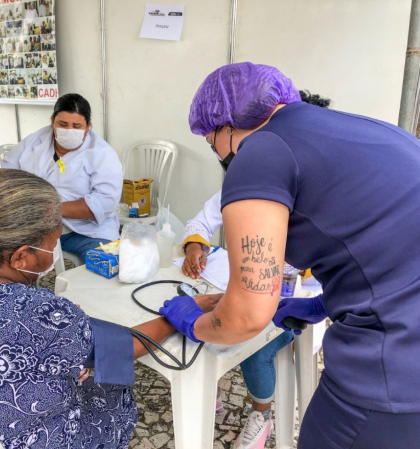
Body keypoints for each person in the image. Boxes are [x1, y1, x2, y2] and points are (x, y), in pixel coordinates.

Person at [160, 62, 420, 448]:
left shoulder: (260, 153)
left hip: (394, 370)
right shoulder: (373, 131)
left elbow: (247, 317)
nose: (214, 149)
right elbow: (390, 241)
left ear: (226, 126)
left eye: (208, 138)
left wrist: (193, 322)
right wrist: (324, 303)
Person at [0, 168, 222, 448]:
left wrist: (57, 322)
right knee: (109, 391)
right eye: (52, 244)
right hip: (20, 439)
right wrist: (174, 316)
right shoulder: (44, 316)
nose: (54, 253)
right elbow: (121, 348)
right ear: (22, 256)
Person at [180, 90, 331, 449]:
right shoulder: (255, 177)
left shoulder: (324, 189)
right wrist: (195, 243)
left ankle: (261, 413)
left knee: (257, 347)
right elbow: (201, 218)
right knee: (204, 314)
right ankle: (205, 388)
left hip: (303, 296)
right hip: (249, 288)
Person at [2, 93, 122, 262]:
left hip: (84, 232)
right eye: (63, 124)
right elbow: (6, 176)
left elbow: (105, 202)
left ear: (88, 126)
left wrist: (49, 210)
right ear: (52, 121)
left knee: (105, 264)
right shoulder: (34, 142)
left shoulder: (102, 153)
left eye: (77, 126)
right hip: (34, 229)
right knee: (2, 258)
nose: (69, 131)